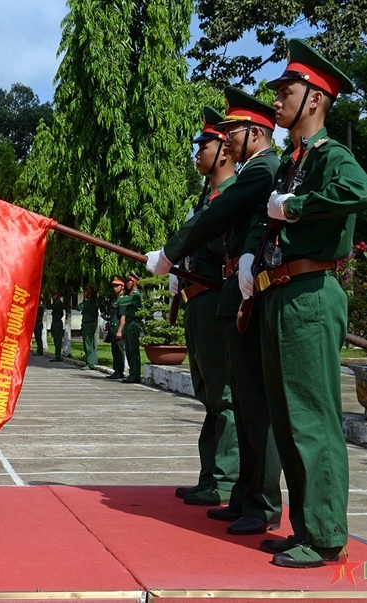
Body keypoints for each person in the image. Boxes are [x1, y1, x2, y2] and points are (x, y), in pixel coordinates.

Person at [240, 39, 367, 568]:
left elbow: (362, 194)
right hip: (279, 293)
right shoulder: (291, 161)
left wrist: (298, 205)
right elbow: (263, 217)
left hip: (310, 294)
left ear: (315, 99)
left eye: (286, 91)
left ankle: (324, 535)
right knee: (286, 416)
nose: (276, 100)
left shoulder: (331, 157)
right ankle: (306, 528)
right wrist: (252, 255)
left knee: (311, 418)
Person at [145, 88, 284, 520]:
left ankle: (242, 491)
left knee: (242, 401)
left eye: (221, 136)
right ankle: (239, 492)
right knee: (231, 399)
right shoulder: (249, 175)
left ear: (246, 136)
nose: (211, 145)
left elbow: (217, 226)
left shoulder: (262, 172)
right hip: (220, 296)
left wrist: (170, 255)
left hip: (240, 295)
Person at [169, 106, 240, 506]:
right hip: (197, 303)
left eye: (205, 145)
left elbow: (219, 244)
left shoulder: (230, 196)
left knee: (223, 395)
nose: (197, 153)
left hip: (215, 301)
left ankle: (226, 480)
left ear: (225, 151)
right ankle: (210, 474)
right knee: (208, 394)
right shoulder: (206, 198)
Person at [119, 273, 143, 384]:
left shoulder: (136, 295)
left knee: (133, 351)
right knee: (128, 350)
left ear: (133, 282)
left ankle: (135, 375)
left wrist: (117, 300)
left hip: (133, 324)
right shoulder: (131, 294)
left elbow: (122, 301)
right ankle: (132, 374)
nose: (127, 283)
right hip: (129, 324)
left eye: (128, 281)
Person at [106, 277, 126, 380]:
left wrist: (119, 330)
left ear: (122, 287)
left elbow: (123, 316)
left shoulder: (123, 300)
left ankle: (119, 371)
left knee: (119, 350)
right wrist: (108, 324)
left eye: (117, 285)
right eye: (113, 286)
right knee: (114, 350)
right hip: (113, 328)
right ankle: (116, 370)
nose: (114, 288)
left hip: (118, 329)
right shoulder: (116, 300)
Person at [76, 285, 99, 370]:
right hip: (88, 324)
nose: (84, 293)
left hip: (88, 324)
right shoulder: (92, 302)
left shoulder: (89, 302)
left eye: (85, 292)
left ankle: (90, 363)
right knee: (88, 344)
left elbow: (78, 307)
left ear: (89, 293)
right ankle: (89, 362)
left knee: (88, 344)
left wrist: (84, 301)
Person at [47, 291, 65, 362]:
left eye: (54, 295)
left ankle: (58, 356)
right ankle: (57, 355)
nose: (53, 297)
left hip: (58, 323)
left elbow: (49, 307)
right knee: (55, 340)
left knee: (58, 340)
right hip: (55, 323)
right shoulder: (56, 303)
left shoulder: (58, 304)